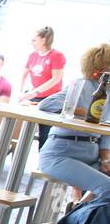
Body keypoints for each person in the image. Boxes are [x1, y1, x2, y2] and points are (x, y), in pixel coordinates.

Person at [37, 44, 110, 197]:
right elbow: (46, 104)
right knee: (107, 187)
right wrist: (83, 112)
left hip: (92, 155)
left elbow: (105, 135)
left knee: (105, 186)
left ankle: (77, 211)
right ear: (101, 69)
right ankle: (75, 216)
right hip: (62, 154)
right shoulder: (80, 85)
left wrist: (105, 159)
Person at [18, 27, 66, 103]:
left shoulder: (57, 55)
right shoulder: (32, 55)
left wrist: (36, 92)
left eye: (34, 40)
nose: (31, 43)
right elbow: (23, 75)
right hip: (35, 96)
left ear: (43, 40)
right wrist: (20, 92)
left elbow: (56, 79)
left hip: (50, 98)